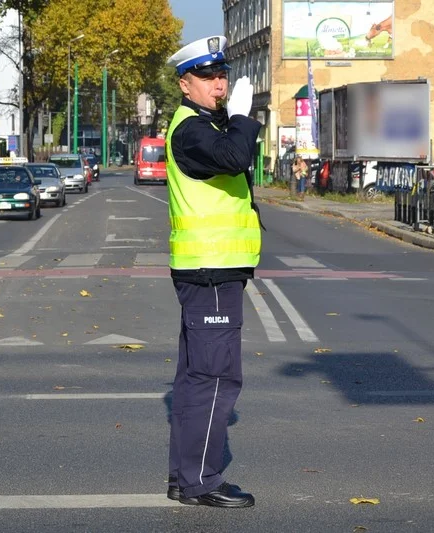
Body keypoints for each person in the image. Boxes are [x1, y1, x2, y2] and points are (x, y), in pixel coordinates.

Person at [164, 35, 262, 509]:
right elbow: (234, 157)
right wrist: (243, 117)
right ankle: (201, 479)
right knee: (216, 378)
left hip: (209, 270)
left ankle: (185, 476)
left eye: (221, 75)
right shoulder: (191, 130)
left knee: (195, 379)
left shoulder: (201, 125)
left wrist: (233, 119)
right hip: (211, 271)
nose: (219, 84)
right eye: (207, 77)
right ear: (185, 84)